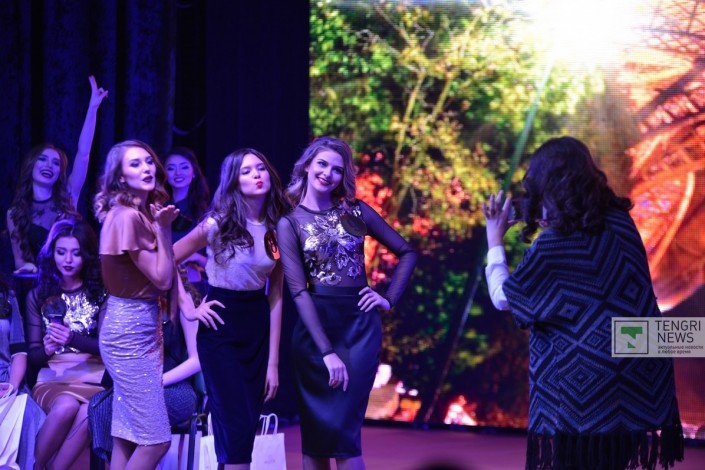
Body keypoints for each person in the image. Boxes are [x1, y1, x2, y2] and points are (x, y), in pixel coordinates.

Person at [483, 136, 684, 470]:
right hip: (643, 374)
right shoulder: (622, 222)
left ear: (545, 187)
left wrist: (494, 239)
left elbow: (505, 298)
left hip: (590, 390)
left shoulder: (554, 245)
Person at [276, 136, 417, 470]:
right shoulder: (289, 222)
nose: (328, 174)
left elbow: (407, 252)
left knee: (345, 436)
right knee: (316, 437)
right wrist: (326, 352)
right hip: (315, 335)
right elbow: (298, 292)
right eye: (322, 164)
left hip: (359, 331)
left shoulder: (356, 210)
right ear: (307, 166)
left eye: (337, 170)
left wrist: (388, 299)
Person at [174, 148, 288, 469]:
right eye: (247, 171)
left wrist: (273, 363)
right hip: (220, 325)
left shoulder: (277, 227)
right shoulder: (217, 223)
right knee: (235, 425)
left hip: (256, 325)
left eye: (261, 168)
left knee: (245, 426)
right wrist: (189, 307)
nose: (257, 175)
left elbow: (276, 292)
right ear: (234, 181)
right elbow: (170, 256)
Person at [93, 139, 183, 469]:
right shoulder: (128, 217)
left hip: (141, 327)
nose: (146, 168)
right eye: (135, 164)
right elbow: (162, 278)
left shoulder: (140, 214)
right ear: (120, 177)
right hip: (128, 332)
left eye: (148, 161)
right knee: (156, 440)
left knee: (127, 433)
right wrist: (164, 230)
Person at [25, 218, 106, 469]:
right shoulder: (38, 294)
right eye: (61, 252)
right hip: (53, 378)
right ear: (52, 253)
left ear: (87, 255)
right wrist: (47, 350)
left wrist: (72, 339)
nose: (68, 260)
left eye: (76, 253)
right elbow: (33, 355)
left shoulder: (101, 293)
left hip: (94, 377)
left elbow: (107, 348)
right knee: (66, 406)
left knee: (88, 412)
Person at [7, 76, 108, 274]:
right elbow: (19, 261)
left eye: (56, 163)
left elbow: (83, 153)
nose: (49, 166)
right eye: (43, 159)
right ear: (31, 165)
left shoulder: (68, 195)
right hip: (39, 283)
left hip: (74, 280)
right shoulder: (15, 213)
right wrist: (27, 268)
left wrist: (93, 108)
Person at [0, 277, 46, 470]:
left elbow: (19, 351)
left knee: (28, 415)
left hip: (6, 381)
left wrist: (11, 386)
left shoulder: (6, 296)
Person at [163, 147, 211, 289]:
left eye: (184, 167)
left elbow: (220, 266)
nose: (178, 173)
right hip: (161, 284)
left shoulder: (205, 214)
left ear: (194, 172)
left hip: (192, 284)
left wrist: (195, 257)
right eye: (171, 168)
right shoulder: (157, 209)